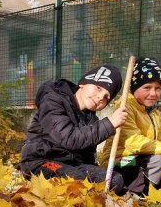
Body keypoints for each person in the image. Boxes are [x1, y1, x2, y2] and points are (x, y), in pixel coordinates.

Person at [19, 64, 128, 194]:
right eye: (98, 88)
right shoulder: (53, 101)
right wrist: (110, 124)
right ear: (83, 83)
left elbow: (87, 158)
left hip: (73, 166)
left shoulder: (92, 121)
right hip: (41, 162)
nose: (100, 97)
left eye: (106, 97)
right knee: (76, 180)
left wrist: (96, 175)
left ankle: (97, 204)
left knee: (114, 179)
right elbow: (68, 138)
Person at [101, 57, 161, 196]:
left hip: (143, 163)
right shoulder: (125, 106)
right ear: (134, 87)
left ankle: (150, 199)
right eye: (147, 87)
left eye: (158, 88)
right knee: (159, 161)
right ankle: (134, 199)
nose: (153, 93)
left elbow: (159, 144)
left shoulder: (155, 113)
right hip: (121, 163)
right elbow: (132, 141)